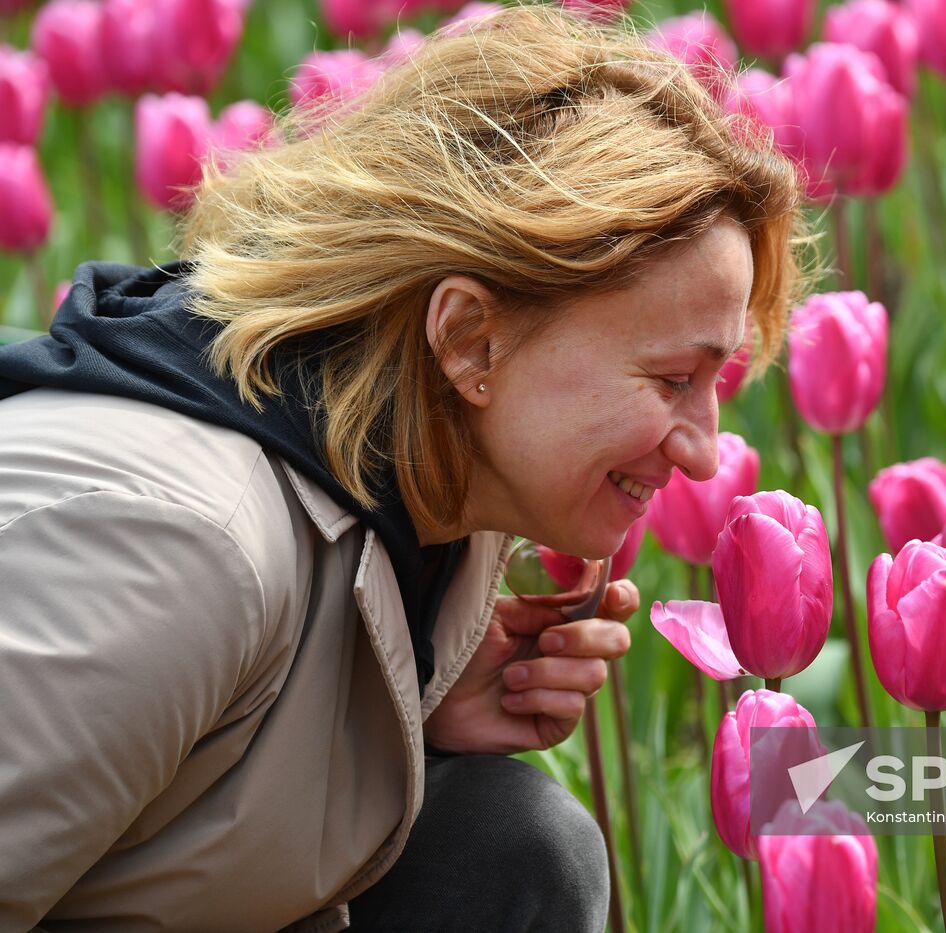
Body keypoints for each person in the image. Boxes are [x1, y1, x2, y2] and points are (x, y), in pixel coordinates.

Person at [0, 5, 810, 930]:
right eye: (672, 378)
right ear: (469, 340)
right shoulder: (174, 553)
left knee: (510, 845)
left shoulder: (413, 514)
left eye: (717, 382)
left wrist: (389, 723)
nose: (705, 451)